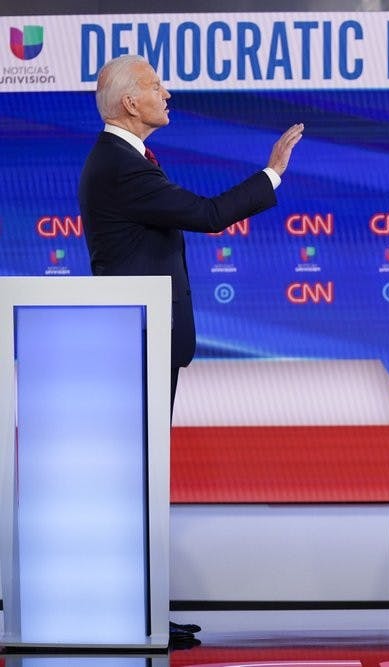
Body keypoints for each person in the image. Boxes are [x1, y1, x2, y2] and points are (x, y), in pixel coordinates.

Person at [77, 54, 304, 643]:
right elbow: (207, 215)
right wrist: (272, 174)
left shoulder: (126, 161)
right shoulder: (119, 167)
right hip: (137, 345)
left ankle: (142, 614)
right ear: (131, 103)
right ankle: (131, 615)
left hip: (145, 344)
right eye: (156, 86)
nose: (167, 93)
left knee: (143, 484)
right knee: (136, 486)